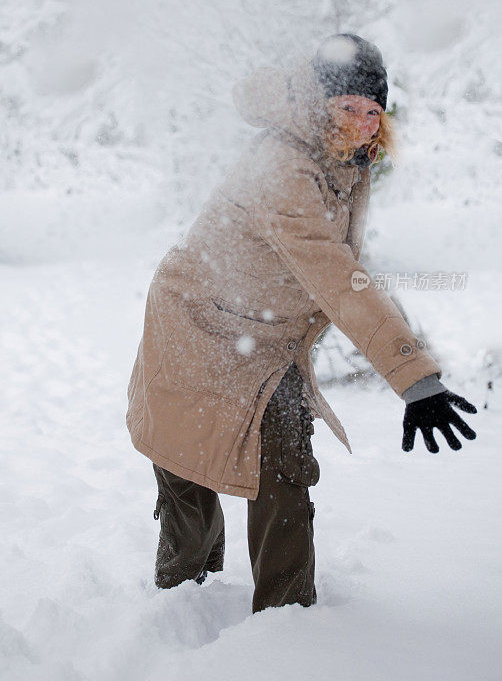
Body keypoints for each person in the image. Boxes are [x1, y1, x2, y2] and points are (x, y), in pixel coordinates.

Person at [126, 33, 477, 614]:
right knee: (185, 473)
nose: (365, 123)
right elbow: (338, 278)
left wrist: (411, 363)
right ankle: (182, 602)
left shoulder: (341, 155)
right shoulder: (284, 167)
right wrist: (413, 376)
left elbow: (350, 276)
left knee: (284, 460)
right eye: (349, 108)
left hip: (264, 338)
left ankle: (287, 621)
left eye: (374, 111)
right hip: (193, 322)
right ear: (320, 104)